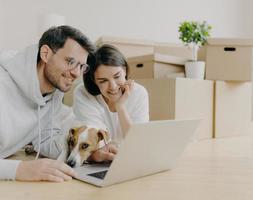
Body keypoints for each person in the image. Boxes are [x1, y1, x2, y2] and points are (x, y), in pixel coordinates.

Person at [0, 25, 95, 182]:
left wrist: (85, 152)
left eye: (81, 66)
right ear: (45, 54)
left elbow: (45, 139)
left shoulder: (55, 90)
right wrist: (20, 169)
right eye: (70, 61)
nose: (76, 73)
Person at [73, 44, 149, 162]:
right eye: (103, 81)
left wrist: (120, 107)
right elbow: (96, 144)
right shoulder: (83, 93)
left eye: (117, 76)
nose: (113, 86)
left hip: (132, 159)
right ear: (94, 81)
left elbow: (137, 142)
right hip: (98, 163)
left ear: (124, 70)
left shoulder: (139, 93)